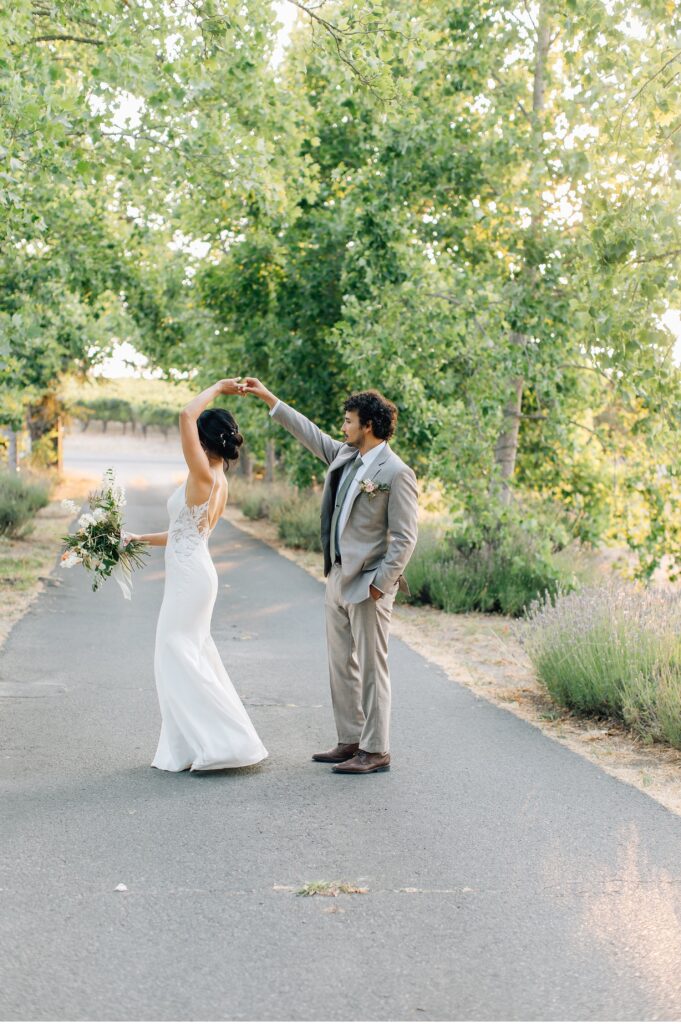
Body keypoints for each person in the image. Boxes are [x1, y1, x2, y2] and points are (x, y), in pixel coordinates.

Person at [242, 378, 418, 775]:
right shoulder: (345, 456)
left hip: (370, 584)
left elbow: (405, 538)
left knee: (373, 667)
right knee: (340, 663)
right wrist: (269, 396)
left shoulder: (397, 473)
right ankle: (351, 740)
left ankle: (376, 749)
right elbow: (307, 431)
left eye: (348, 420)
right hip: (337, 577)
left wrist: (380, 583)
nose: (342, 427)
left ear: (368, 425)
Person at [125, 378, 268, 772]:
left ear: (203, 442)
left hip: (191, 578)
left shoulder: (203, 475)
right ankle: (190, 745)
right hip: (195, 571)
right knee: (187, 655)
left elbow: (185, 414)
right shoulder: (218, 481)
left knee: (176, 655)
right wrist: (139, 538)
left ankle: (224, 741)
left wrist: (219, 387)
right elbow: (183, 535)